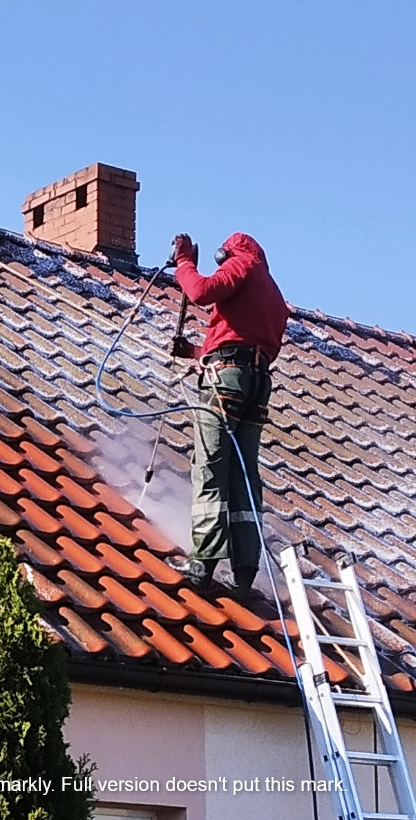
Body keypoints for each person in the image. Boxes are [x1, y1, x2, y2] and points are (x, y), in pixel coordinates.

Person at [165, 232, 288, 598]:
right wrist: (196, 352)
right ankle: (245, 570)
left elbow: (201, 291)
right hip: (256, 385)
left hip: (226, 382)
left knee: (211, 465)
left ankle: (202, 562)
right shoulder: (274, 295)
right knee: (244, 473)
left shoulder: (242, 265)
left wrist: (184, 262)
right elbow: (243, 341)